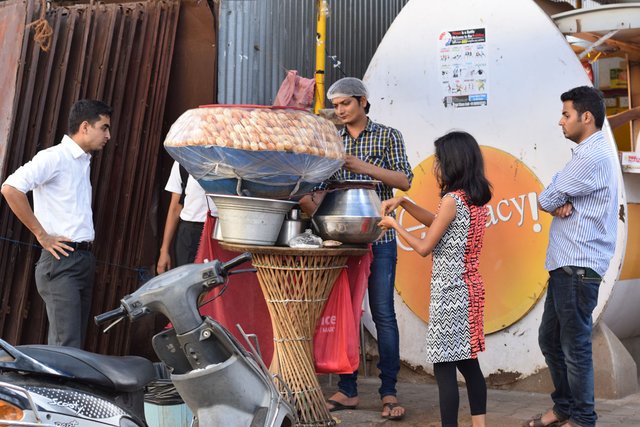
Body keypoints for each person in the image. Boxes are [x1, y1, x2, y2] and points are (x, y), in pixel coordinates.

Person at [302, 77, 413, 420]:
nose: (340, 111)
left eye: (345, 104)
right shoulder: (330, 139)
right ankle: (347, 389)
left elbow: (404, 180)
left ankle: (389, 391)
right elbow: (316, 189)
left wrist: (358, 166)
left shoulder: (388, 135)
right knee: (346, 313)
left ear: (363, 101)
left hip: (379, 238)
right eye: (335, 106)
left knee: (382, 314)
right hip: (341, 240)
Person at [379, 131, 491, 427]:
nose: (436, 166)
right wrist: (403, 203)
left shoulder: (453, 199)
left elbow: (425, 246)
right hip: (469, 292)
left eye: (439, 159)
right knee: (469, 365)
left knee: (444, 369)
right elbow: (438, 222)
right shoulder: (474, 198)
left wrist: (393, 225)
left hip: (450, 295)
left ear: (452, 162)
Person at [524, 86, 618, 427]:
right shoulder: (585, 156)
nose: (560, 121)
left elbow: (546, 199)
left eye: (566, 115)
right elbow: (554, 190)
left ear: (586, 117)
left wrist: (556, 194)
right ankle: (564, 408)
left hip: (578, 266)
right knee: (550, 339)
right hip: (567, 265)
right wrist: (557, 191)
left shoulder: (592, 157)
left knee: (574, 346)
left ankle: (582, 418)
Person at [1, 99, 112, 348]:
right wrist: (42, 235)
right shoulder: (54, 157)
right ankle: (55, 388)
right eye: (104, 127)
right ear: (85, 127)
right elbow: (10, 188)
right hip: (61, 261)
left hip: (82, 259)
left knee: (74, 347)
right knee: (66, 347)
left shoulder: (82, 161)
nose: (108, 135)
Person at [156, 161, 210, 274]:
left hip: (221, 232)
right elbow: (175, 208)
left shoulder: (230, 156)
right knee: (188, 282)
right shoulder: (183, 159)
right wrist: (164, 250)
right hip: (190, 234)